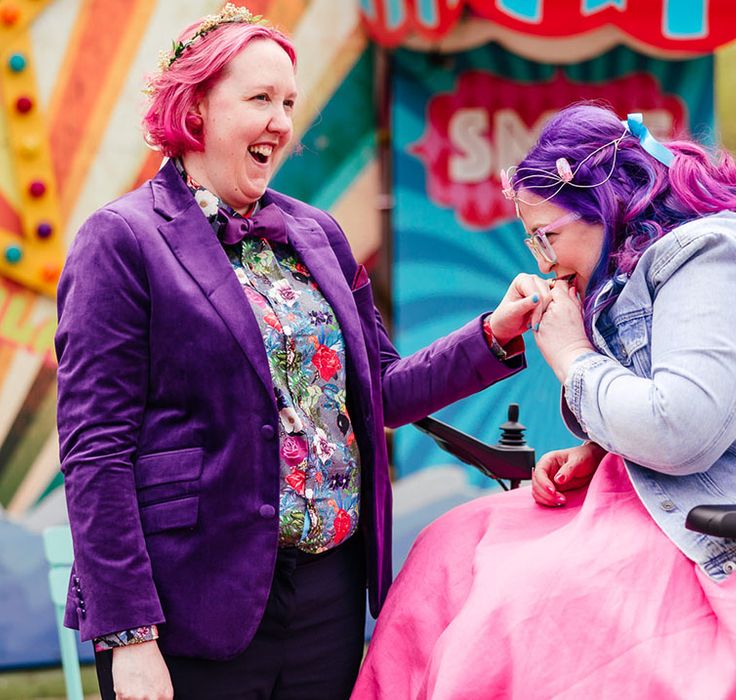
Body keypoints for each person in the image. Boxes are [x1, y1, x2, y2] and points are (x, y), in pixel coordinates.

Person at [54, 5, 547, 700]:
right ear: (194, 109)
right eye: (260, 99)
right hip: (190, 603)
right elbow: (95, 452)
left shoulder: (317, 234)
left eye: (288, 101)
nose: (282, 121)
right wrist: (129, 636)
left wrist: (493, 333)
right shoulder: (121, 240)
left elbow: (379, 388)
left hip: (329, 598)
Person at [352, 104, 736, 699]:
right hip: (661, 496)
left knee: (514, 603)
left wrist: (573, 354)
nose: (543, 263)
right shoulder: (643, 262)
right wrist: (597, 452)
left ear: (606, 205)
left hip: (717, 524)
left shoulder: (716, 254)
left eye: (548, 236)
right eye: (531, 240)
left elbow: (683, 430)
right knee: (447, 546)